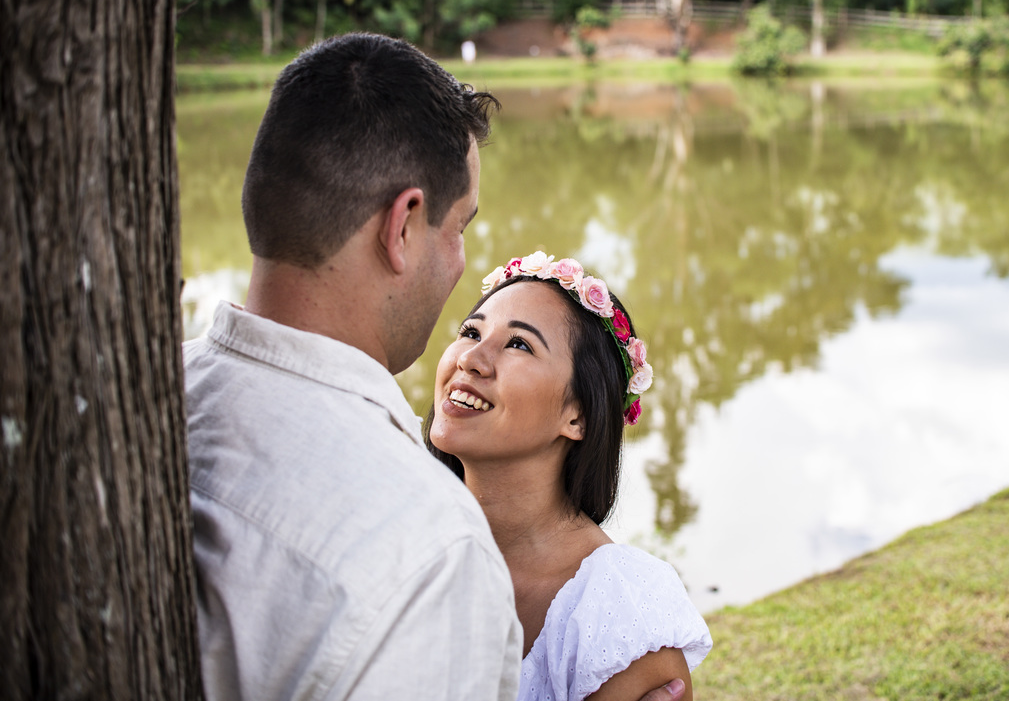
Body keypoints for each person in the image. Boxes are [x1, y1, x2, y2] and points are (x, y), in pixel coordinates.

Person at [185, 34, 689, 701]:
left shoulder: (150, 401)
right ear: (403, 226)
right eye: (458, 229)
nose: (459, 270)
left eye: (519, 343)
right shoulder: (430, 547)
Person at [425, 252, 713, 701]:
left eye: (519, 344)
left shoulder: (615, 613)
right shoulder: (394, 537)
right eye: (471, 332)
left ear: (578, 416)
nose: (472, 359)